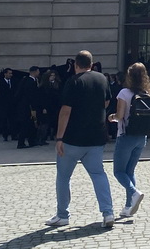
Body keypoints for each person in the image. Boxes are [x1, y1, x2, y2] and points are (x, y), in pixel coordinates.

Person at [47, 50, 115, 229]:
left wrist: (59, 137)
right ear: (91, 64)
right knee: (98, 174)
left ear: (76, 65)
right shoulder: (102, 79)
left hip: (73, 138)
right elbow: (107, 103)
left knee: (63, 176)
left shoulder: (73, 82)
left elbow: (65, 111)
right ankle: (108, 212)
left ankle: (63, 215)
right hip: (96, 137)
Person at [114, 62, 150, 220]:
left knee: (118, 171)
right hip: (141, 137)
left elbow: (120, 116)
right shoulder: (146, 92)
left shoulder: (124, 93)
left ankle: (134, 193)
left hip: (126, 136)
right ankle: (128, 207)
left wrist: (111, 117)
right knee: (130, 171)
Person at [15, 66, 41, 148]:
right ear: (34, 72)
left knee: (30, 125)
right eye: (38, 71)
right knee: (25, 125)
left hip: (25, 106)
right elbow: (31, 96)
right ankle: (21, 143)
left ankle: (31, 141)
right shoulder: (30, 82)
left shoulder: (26, 80)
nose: (39, 73)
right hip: (28, 107)